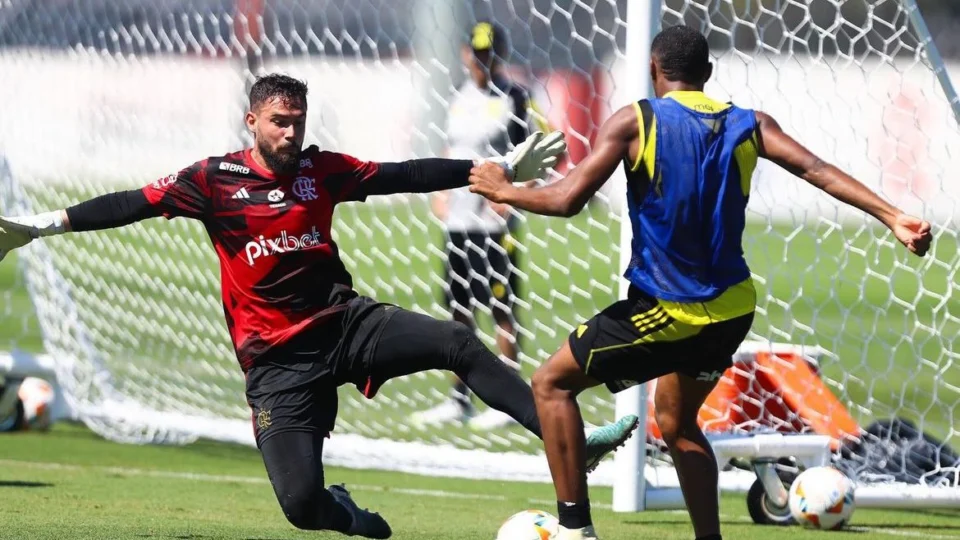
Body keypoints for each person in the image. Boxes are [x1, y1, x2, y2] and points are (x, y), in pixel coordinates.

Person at [0, 74, 638, 539]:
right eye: (280, 121)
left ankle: (571, 446)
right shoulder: (212, 180)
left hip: (347, 325)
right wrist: (39, 226)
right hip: (277, 363)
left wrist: (491, 169)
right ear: (251, 121)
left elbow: (403, 173)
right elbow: (129, 203)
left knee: (456, 342)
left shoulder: (321, 169)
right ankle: (346, 513)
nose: (291, 131)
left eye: (299, 120)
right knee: (302, 507)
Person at [467, 25, 933, 540]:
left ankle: (575, 528)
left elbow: (566, 200)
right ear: (708, 75)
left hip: (671, 311)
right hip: (731, 312)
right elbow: (817, 169)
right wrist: (893, 215)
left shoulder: (635, 122)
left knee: (550, 384)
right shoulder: (749, 123)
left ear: (651, 71)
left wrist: (502, 189)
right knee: (677, 420)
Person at [417, 21, 547, 429]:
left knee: (501, 307)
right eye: (475, 53)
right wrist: (439, 191)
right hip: (458, 219)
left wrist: (518, 193)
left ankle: (508, 401)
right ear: (464, 54)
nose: (481, 61)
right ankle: (459, 399)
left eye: (488, 53)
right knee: (458, 308)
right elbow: (453, 145)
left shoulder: (515, 97)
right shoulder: (458, 97)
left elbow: (538, 147)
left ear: (500, 55)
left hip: (493, 223)